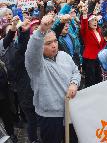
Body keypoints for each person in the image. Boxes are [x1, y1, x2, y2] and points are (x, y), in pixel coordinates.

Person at [25, 15, 80, 143]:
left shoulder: (64, 56)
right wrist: (41, 30)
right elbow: (32, 51)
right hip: (50, 117)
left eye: (55, 41)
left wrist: (74, 83)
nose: (54, 45)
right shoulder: (36, 65)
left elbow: (76, 72)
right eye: (48, 43)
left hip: (71, 111)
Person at [80, 7, 106, 86]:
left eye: (95, 20)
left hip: (99, 58)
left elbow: (103, 44)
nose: (95, 22)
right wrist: (84, 14)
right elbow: (84, 25)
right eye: (92, 20)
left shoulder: (99, 31)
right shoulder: (86, 31)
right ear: (88, 23)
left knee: (99, 78)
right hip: (89, 59)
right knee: (91, 80)